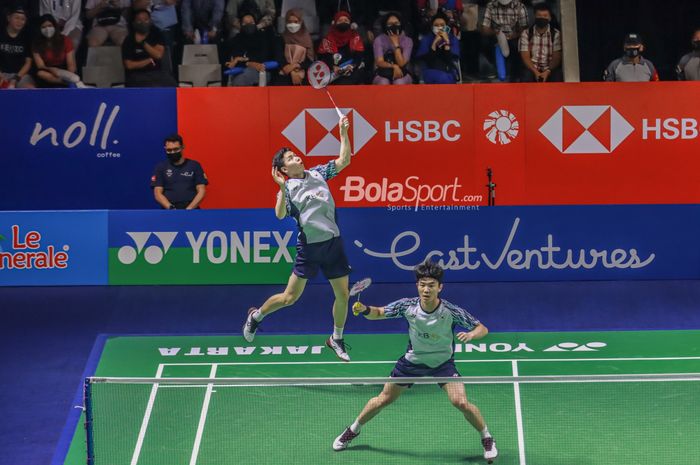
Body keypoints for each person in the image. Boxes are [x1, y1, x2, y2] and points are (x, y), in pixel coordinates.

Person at [332, 260, 498, 463]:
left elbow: (482, 328)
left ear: (440, 287)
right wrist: (365, 309)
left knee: (461, 402)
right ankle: (352, 430)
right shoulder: (407, 306)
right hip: (412, 363)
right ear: (417, 285)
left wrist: (472, 335)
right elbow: (380, 312)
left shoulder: (450, 311)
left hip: (443, 364)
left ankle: (487, 437)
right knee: (383, 399)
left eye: (431, 285)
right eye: (422, 284)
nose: (426, 289)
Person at [242, 116, 353, 362]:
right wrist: (281, 188)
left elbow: (344, 160)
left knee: (343, 295)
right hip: (310, 249)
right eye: (290, 158)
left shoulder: (318, 174)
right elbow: (280, 214)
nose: (297, 158)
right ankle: (257, 316)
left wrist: (343, 132)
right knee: (289, 298)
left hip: (333, 243)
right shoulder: (288, 190)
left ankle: (336, 338)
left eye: (295, 155)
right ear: (283, 170)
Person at [151, 133, 208, 210]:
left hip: (192, 211)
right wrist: (171, 208)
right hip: (169, 211)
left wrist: (189, 209)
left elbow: (201, 190)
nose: (172, 152)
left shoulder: (195, 165)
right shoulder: (161, 167)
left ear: (182, 147)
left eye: (176, 149)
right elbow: (157, 193)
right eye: (169, 150)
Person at [121, 9, 177, 87]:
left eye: (146, 19)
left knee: (171, 83)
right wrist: (148, 60)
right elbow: (129, 65)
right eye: (139, 20)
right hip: (136, 75)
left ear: (150, 21)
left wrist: (143, 43)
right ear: (134, 23)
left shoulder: (157, 34)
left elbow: (158, 55)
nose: (143, 22)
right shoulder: (129, 40)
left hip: (157, 73)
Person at [32, 14, 85, 87]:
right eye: (43, 27)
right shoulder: (36, 44)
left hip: (65, 71)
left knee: (72, 76)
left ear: (54, 26)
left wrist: (66, 74)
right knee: (40, 73)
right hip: (48, 70)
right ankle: (65, 82)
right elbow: (40, 66)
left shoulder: (65, 40)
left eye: (50, 26)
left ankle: (70, 81)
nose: (47, 29)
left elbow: (71, 65)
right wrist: (54, 70)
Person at [223, 13, 276, 86]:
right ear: (241, 25)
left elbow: (263, 57)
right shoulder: (236, 39)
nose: (249, 26)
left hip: (262, 70)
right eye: (245, 23)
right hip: (242, 70)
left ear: (256, 24)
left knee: (240, 80)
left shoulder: (263, 38)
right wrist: (248, 63)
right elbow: (234, 59)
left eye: (251, 23)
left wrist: (243, 60)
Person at [481, 0, 528, 81]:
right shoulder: (491, 6)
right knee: (484, 42)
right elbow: (484, 29)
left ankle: (515, 75)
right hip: (496, 37)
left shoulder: (520, 6)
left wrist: (514, 35)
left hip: (514, 37)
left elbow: (524, 28)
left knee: (519, 45)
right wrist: (495, 33)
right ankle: (495, 70)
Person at [317, 11, 365, 85]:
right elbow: (324, 57)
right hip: (334, 71)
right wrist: (333, 67)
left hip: (351, 69)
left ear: (350, 23)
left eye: (346, 20)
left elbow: (359, 56)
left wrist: (352, 65)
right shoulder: (328, 39)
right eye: (340, 20)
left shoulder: (355, 36)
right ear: (335, 23)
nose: (343, 22)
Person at [519, 3, 562, 82]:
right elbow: (525, 56)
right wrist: (535, 72)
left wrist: (547, 71)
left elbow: (557, 57)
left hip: (549, 69)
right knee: (525, 76)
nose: (542, 18)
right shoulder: (526, 33)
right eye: (539, 15)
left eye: (545, 16)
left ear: (549, 18)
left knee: (558, 76)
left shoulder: (556, 34)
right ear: (535, 16)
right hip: (532, 69)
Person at [415, 12, 460, 84]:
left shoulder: (452, 38)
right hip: (430, 70)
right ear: (432, 27)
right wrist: (434, 43)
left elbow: (450, 60)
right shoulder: (426, 39)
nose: (439, 27)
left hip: (448, 71)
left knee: (447, 78)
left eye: (442, 25)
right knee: (443, 78)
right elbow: (428, 61)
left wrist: (447, 43)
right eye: (436, 25)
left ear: (446, 27)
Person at [372, 11, 413, 85]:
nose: (393, 26)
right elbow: (379, 62)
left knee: (399, 82)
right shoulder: (379, 39)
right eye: (390, 24)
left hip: (403, 72)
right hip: (383, 72)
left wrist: (396, 44)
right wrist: (394, 66)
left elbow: (401, 63)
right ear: (385, 26)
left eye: (396, 23)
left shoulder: (408, 41)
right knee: (383, 83)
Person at [276, 8, 314, 86]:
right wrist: (292, 72)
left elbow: (310, 61)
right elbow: (279, 57)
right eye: (289, 22)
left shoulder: (307, 39)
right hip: (285, 70)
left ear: (301, 22)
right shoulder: (281, 38)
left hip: (302, 70)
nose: (292, 25)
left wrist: (296, 66)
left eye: (296, 22)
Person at [0, 6, 34, 88]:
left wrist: (16, 78)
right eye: (17, 18)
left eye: (23, 19)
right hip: (1, 73)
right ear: (8, 18)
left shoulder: (27, 37)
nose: (20, 22)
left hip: (20, 75)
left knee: (30, 88)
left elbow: (28, 62)